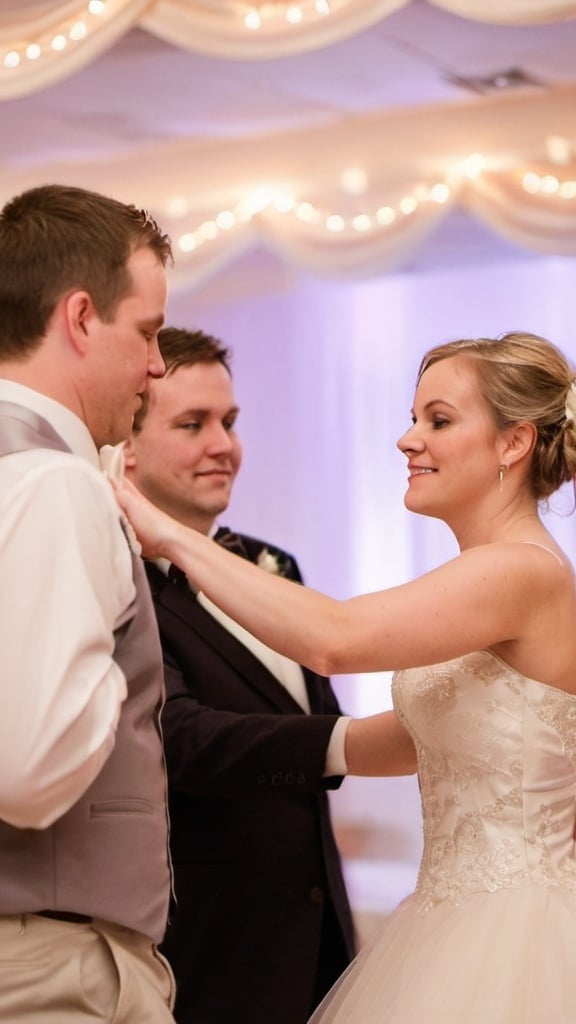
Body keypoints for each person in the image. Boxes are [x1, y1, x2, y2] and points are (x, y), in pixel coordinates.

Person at [115, 329, 576, 1023]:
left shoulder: (521, 570)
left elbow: (334, 640)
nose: (407, 440)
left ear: (513, 443)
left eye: (439, 421)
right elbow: (429, 738)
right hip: (446, 912)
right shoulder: (491, 574)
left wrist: (167, 534)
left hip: (513, 925)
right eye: (413, 417)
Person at [122, 326, 356, 1024]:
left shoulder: (273, 565)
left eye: (229, 421)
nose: (224, 445)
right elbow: (181, 737)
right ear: (125, 448)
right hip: (205, 952)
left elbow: (309, 699)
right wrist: (352, 744)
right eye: (192, 424)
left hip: (316, 943)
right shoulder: (117, 582)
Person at [0, 183, 177, 1022]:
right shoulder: (54, 481)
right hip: (50, 960)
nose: (156, 366)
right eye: (146, 332)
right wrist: (106, 616)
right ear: (78, 318)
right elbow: (29, 773)